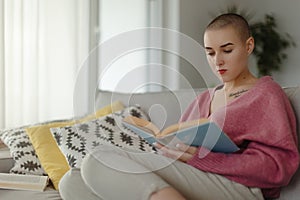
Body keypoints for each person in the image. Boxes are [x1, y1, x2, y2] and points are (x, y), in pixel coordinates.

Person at [59, 13, 299, 200]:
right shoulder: (205, 98)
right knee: (72, 180)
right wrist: (167, 147)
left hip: (241, 188)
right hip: (196, 177)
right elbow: (182, 146)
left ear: (248, 46)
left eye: (227, 50)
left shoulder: (266, 94)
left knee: (99, 159)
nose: (218, 61)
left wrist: (202, 160)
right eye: (210, 52)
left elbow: (280, 167)